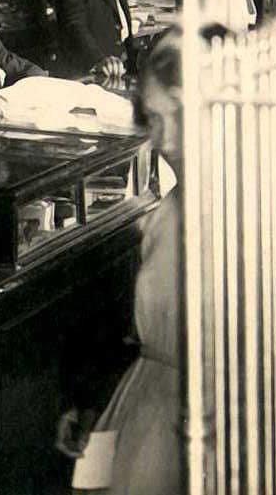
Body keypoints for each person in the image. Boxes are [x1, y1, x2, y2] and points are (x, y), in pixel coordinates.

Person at [72, 28, 192, 493]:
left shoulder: (224, 209)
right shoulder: (174, 205)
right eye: (154, 119)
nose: (163, 138)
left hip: (181, 421)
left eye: (175, 116)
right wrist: (92, 403)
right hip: (144, 404)